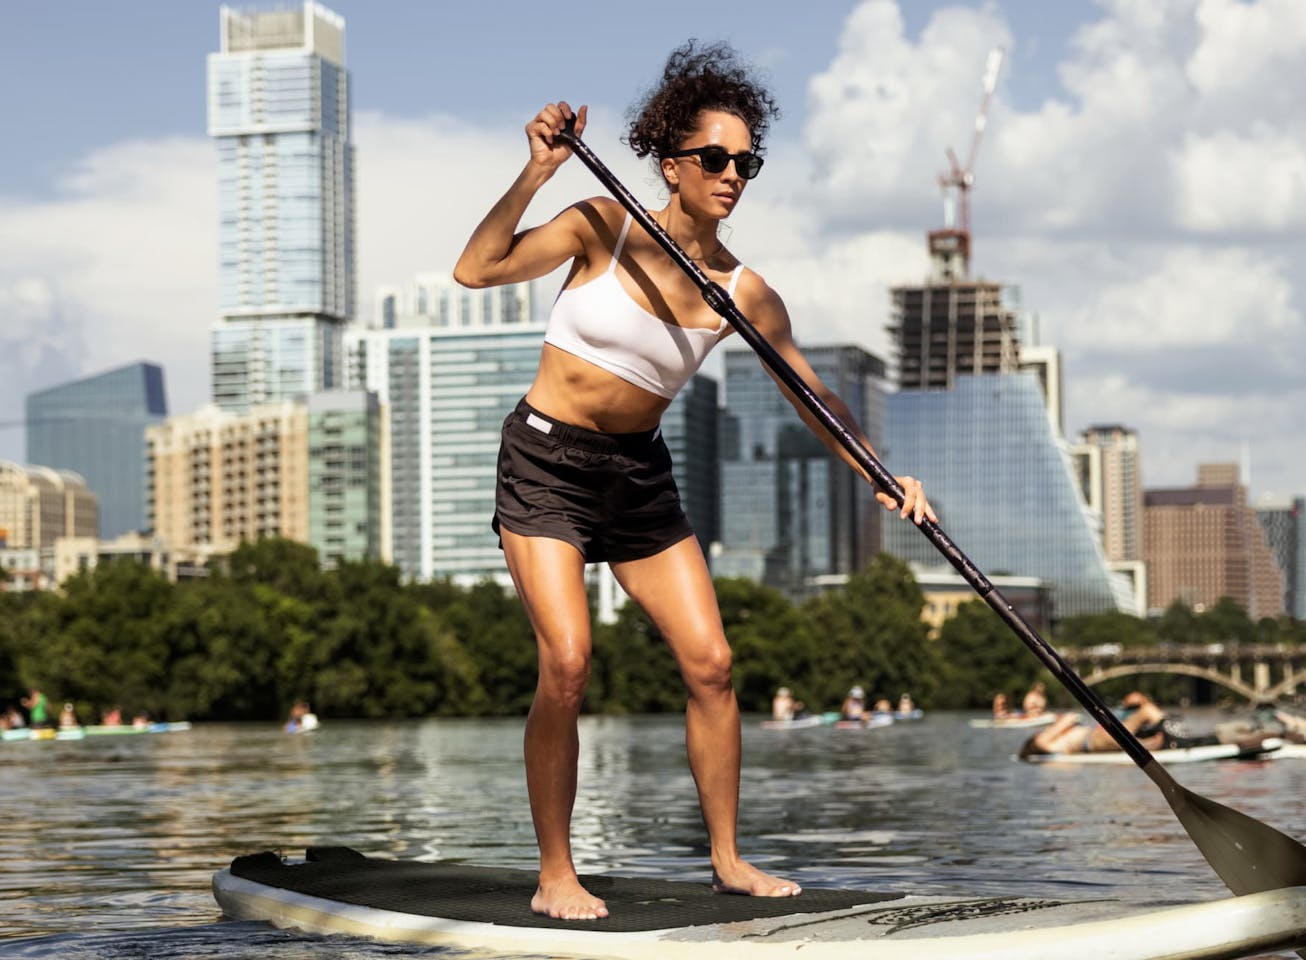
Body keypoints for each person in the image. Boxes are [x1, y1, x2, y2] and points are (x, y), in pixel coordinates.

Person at [454, 41, 935, 921]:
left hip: (638, 477)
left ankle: (727, 859)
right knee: (568, 661)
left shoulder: (743, 293)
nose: (732, 175)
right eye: (714, 158)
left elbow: (813, 396)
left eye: (746, 162)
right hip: (546, 464)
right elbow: (475, 269)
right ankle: (556, 872)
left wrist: (879, 471)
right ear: (671, 163)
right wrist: (537, 173)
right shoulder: (601, 225)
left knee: (712, 664)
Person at [1019, 692, 1212, 758]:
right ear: (1034, 740)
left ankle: (1167, 739)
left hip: (1096, 741)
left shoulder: (1053, 745)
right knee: (1146, 710)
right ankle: (1181, 739)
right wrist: (1060, 722)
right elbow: (1069, 718)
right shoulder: (1043, 741)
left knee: (1145, 724)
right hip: (1095, 738)